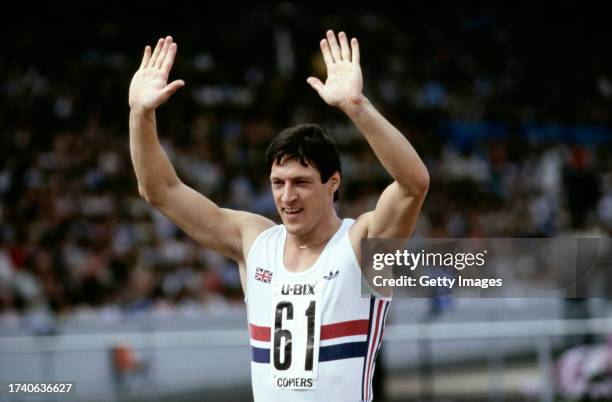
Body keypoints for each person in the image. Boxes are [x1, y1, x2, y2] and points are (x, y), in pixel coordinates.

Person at [128, 30, 429, 402]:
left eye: (301, 182)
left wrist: (357, 108)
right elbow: (160, 191)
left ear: (333, 182)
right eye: (278, 183)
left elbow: (413, 184)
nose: (287, 197)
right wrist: (140, 114)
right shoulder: (254, 241)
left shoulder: (361, 245)